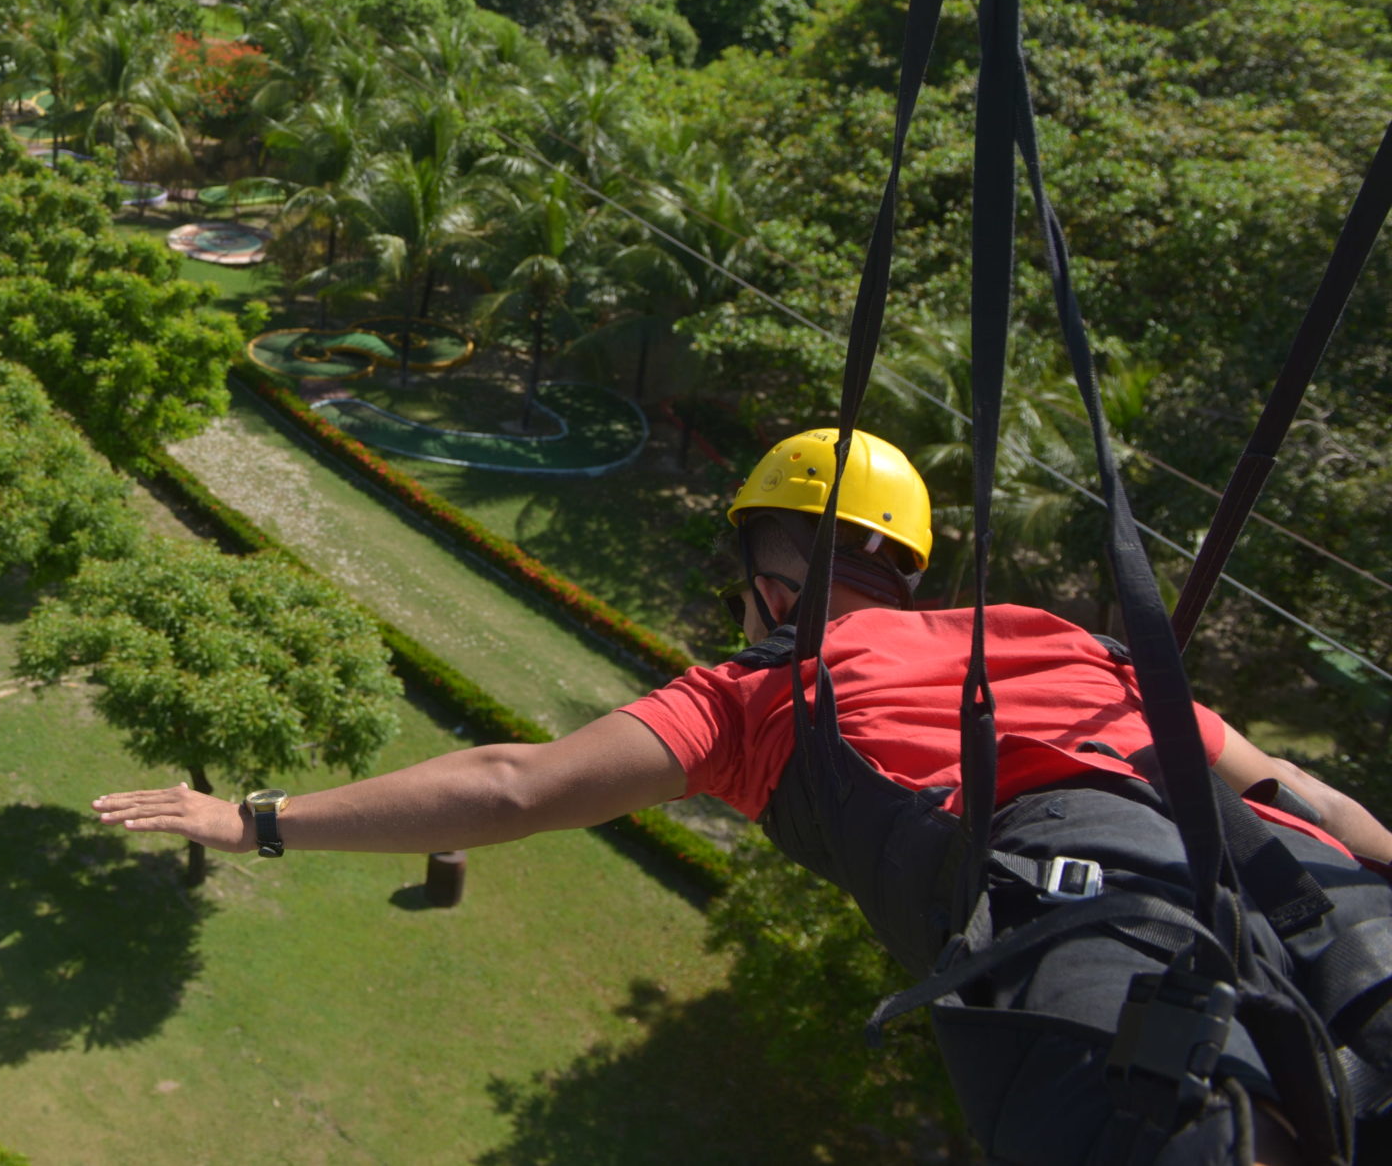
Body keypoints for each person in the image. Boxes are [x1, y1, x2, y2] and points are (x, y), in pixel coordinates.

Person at [93, 428, 1392, 1165]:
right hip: (1282, 857)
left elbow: (510, 784)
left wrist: (251, 817)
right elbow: (1300, 793)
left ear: (776, 565)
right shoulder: (1035, 623)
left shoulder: (753, 696)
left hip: (1073, 881)